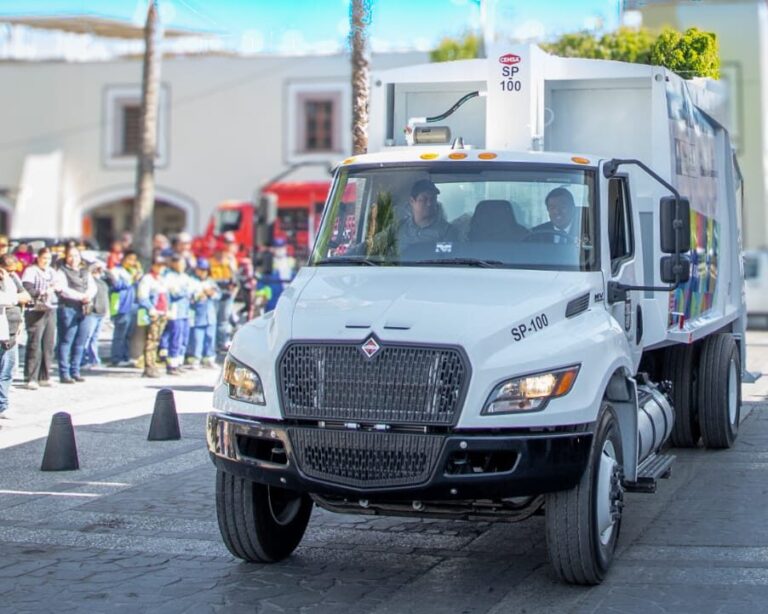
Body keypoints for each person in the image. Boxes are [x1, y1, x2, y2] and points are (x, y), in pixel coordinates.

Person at [368, 179, 457, 255]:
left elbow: (447, 261)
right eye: (424, 199)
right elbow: (372, 246)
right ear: (412, 201)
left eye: (433, 199)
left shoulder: (447, 231)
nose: (429, 203)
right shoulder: (398, 227)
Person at [54, 245, 96, 383]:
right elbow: (63, 289)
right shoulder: (62, 271)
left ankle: (75, 370)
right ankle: (64, 373)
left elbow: (92, 287)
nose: (74, 259)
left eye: (76, 256)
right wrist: (80, 296)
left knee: (81, 341)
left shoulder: (85, 271)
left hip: (85, 308)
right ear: (66, 257)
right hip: (69, 307)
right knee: (66, 340)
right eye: (71, 256)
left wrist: (88, 296)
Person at [21, 248, 58, 389]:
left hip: (50, 308)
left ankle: (45, 375)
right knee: (35, 343)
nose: (46, 262)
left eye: (48, 259)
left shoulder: (51, 272)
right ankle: (30, 377)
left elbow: (58, 285)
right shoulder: (31, 271)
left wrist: (55, 288)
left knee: (48, 343)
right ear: (38, 258)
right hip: (35, 310)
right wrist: (42, 292)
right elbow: (27, 288)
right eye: (44, 259)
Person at [135, 256, 169, 378]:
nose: (161, 268)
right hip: (153, 313)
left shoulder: (162, 279)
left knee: (157, 340)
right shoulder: (147, 279)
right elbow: (142, 296)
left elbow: (166, 297)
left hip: (162, 313)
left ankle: (153, 363)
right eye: (158, 265)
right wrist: (151, 309)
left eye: (163, 265)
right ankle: (149, 366)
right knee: (151, 340)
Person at [107, 250, 141, 367]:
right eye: (129, 259)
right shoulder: (116, 271)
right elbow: (116, 285)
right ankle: (116, 358)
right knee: (120, 333)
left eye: (134, 260)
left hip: (133, 305)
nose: (131, 262)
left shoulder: (133, 271)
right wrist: (132, 279)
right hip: (121, 305)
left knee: (129, 334)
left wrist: (138, 276)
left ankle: (126, 356)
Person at [163, 254, 195, 375]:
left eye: (184, 264)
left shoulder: (186, 277)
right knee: (175, 338)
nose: (182, 266)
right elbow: (174, 293)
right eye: (180, 263)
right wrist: (185, 290)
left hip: (186, 311)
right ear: (174, 263)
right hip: (175, 312)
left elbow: (193, 291)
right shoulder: (169, 277)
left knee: (184, 337)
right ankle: (171, 364)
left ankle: (179, 362)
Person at [186, 258, 220, 369]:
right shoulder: (192, 281)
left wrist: (212, 293)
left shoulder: (211, 281)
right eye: (200, 269)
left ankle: (209, 359)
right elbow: (189, 296)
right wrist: (199, 295)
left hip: (210, 315)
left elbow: (218, 295)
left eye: (205, 270)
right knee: (197, 338)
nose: (203, 272)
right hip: (198, 315)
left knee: (210, 338)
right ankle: (196, 359)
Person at [0, 265, 22, 423]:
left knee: (6, 372)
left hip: (5, 333)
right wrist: (7, 280)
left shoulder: (5, 281)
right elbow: (10, 299)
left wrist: (7, 278)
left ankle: (3, 405)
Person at [81, 260, 109, 370]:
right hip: (92, 312)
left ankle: (94, 360)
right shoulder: (89, 280)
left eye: (98, 270)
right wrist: (90, 269)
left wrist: (105, 269)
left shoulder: (103, 282)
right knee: (86, 338)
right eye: (96, 270)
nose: (98, 272)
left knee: (94, 338)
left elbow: (113, 281)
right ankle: (83, 360)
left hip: (101, 313)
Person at [210, 245, 238, 351]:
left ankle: (222, 343)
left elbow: (235, 280)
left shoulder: (229, 263)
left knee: (224, 320)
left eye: (224, 252)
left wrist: (232, 266)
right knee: (213, 320)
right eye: (219, 251)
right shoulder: (211, 262)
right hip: (215, 294)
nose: (221, 254)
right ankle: (213, 344)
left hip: (227, 294)